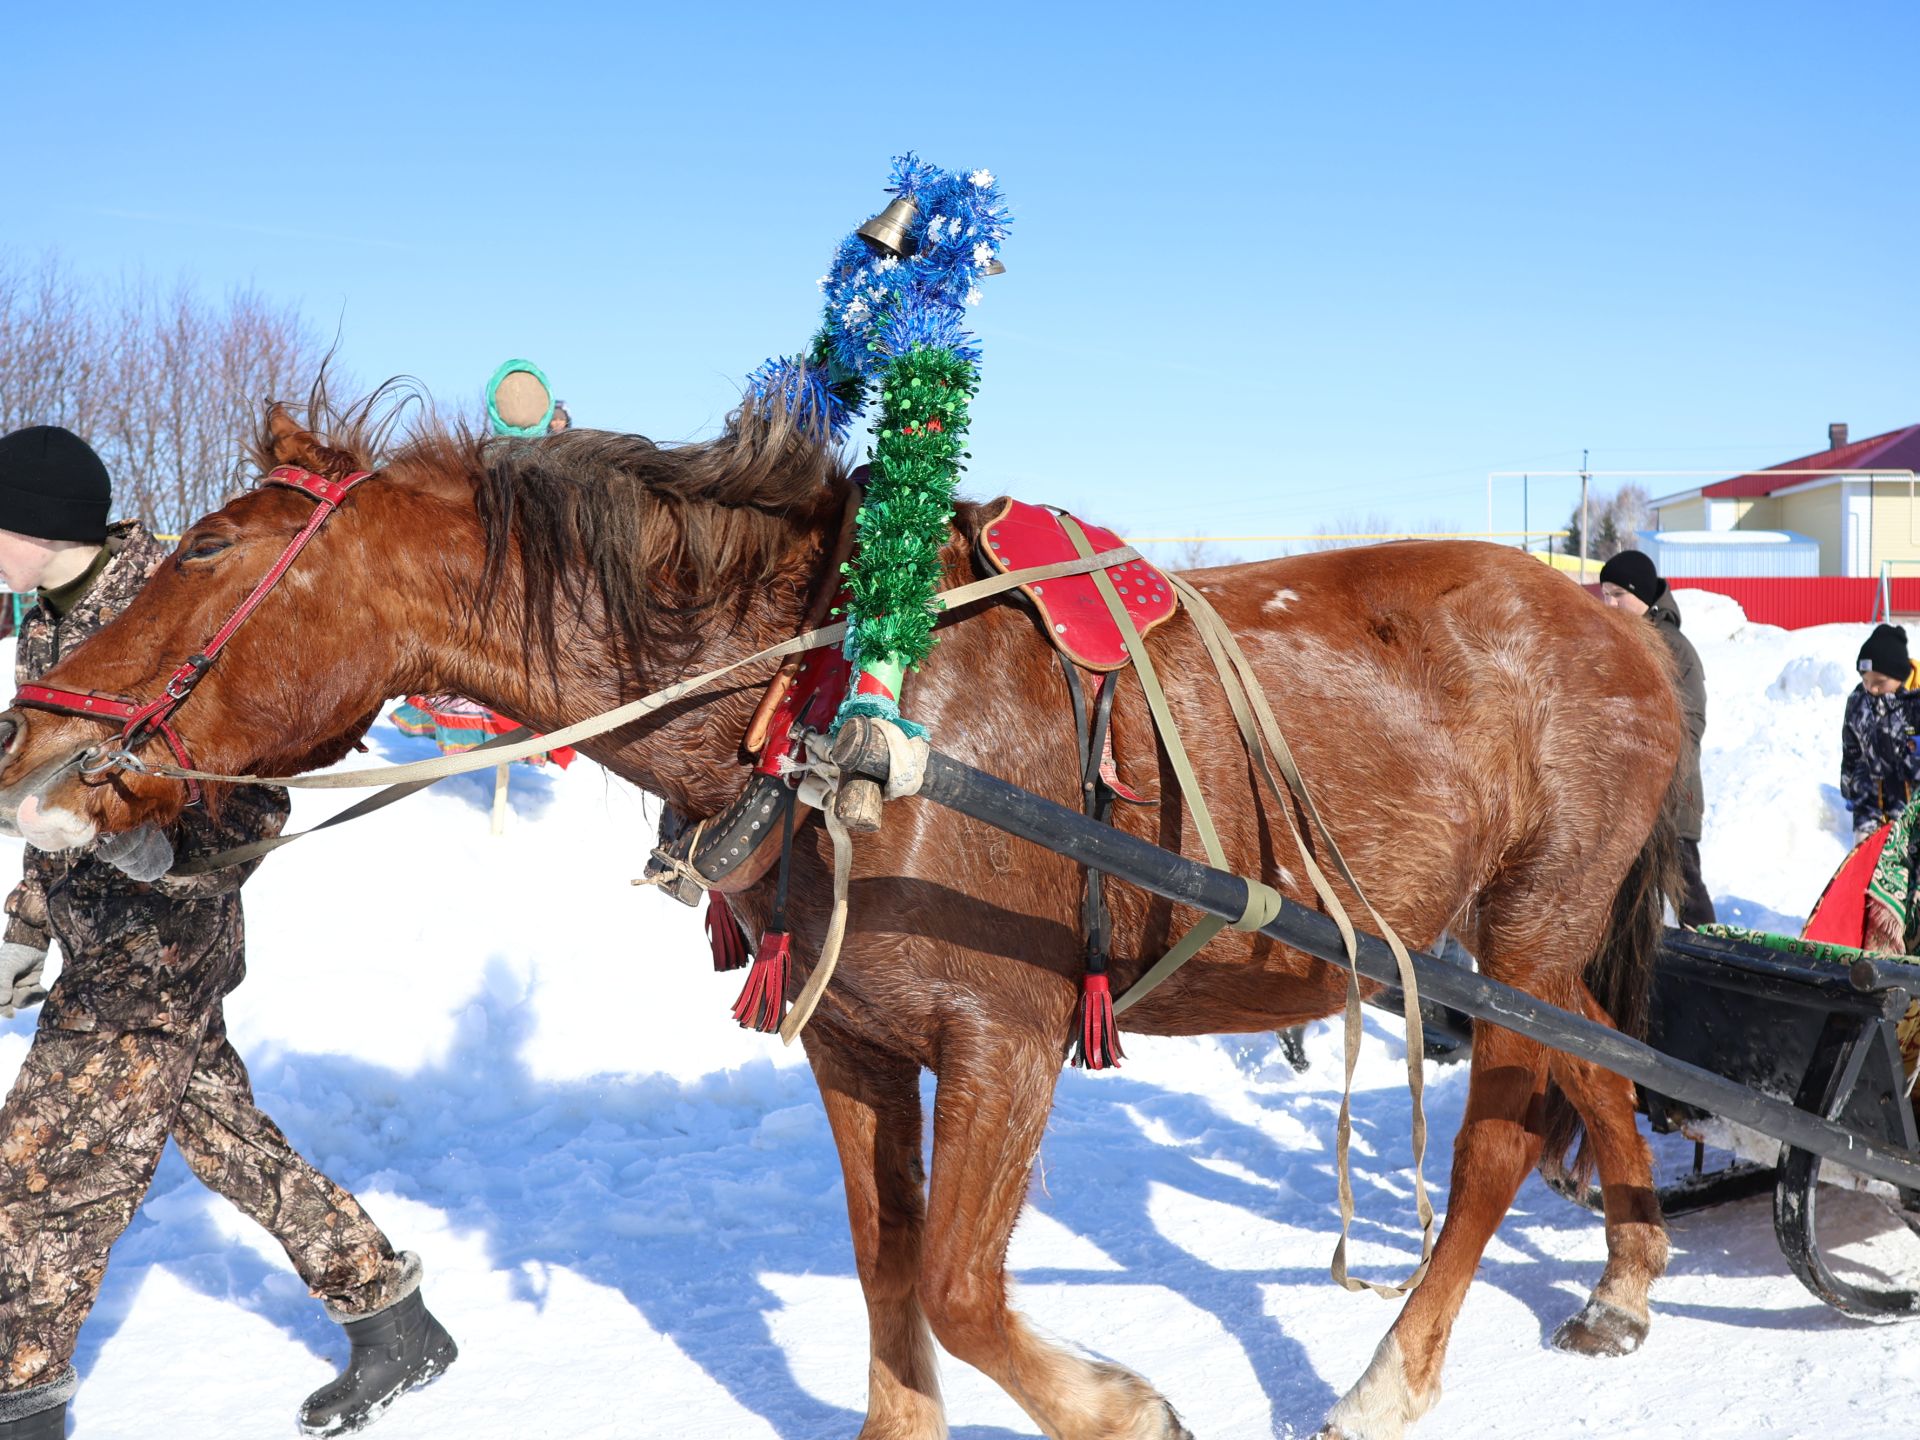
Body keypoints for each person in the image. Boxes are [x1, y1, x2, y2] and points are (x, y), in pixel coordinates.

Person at [0, 425, 456, 1438]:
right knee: (226, 1138)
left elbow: (261, 781)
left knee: (37, 1178)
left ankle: (17, 1396)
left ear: (39, 525)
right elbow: (46, 796)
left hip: (162, 949)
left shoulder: (182, 599)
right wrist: (27, 923)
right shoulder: (46, 624)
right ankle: (393, 1318)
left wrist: (166, 850)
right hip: (96, 936)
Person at [1597, 549, 1715, 927]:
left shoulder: (1674, 648)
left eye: (1618, 594)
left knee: (1685, 890)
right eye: (1605, 594)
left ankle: (1714, 963)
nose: (1609, 603)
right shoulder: (1614, 643)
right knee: (1629, 898)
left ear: (1642, 595)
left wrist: (1650, 764)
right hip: (1625, 795)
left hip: (1670, 794)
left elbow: (1690, 724)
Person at [1840, 622, 1920, 842]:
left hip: (1914, 805)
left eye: (1880, 682)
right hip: (1871, 804)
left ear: (1900, 675)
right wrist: (1848, 787)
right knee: (1871, 855)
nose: (1872, 688)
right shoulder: (1858, 702)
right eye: (1865, 680)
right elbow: (1851, 748)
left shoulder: (1916, 702)